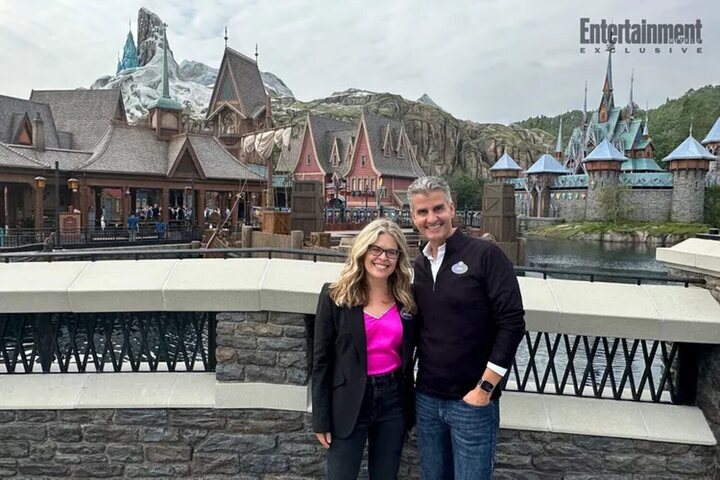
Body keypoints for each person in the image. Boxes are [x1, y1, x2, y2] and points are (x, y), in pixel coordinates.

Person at [408, 176, 526, 480]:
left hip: (472, 403)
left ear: (451, 207)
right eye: (422, 212)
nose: (431, 218)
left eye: (438, 209)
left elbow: (511, 323)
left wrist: (485, 389)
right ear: (413, 217)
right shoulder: (418, 267)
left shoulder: (485, 255)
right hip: (428, 400)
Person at [312, 219, 416, 480]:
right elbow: (321, 360)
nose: (383, 258)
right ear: (362, 251)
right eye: (375, 249)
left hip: (393, 400)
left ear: (399, 258)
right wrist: (321, 419)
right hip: (348, 400)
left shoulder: (408, 299)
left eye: (391, 252)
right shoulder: (334, 296)